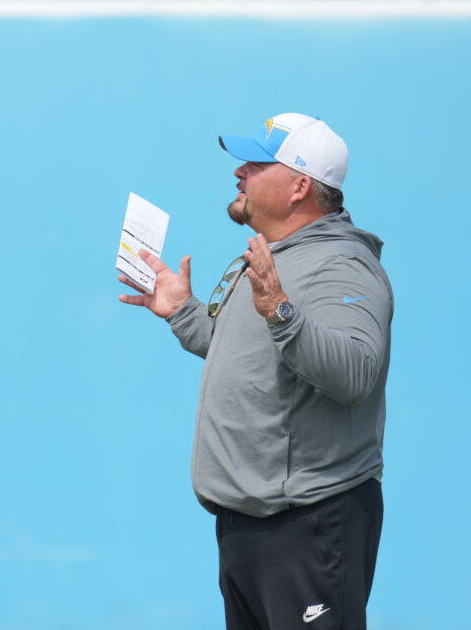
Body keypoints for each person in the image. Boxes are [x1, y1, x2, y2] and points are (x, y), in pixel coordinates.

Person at [119, 113, 392, 629]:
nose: (239, 172)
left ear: (299, 187)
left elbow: (355, 373)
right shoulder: (275, 259)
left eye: (257, 163)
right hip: (249, 524)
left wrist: (280, 310)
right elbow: (253, 361)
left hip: (309, 521)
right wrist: (183, 311)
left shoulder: (342, 264)